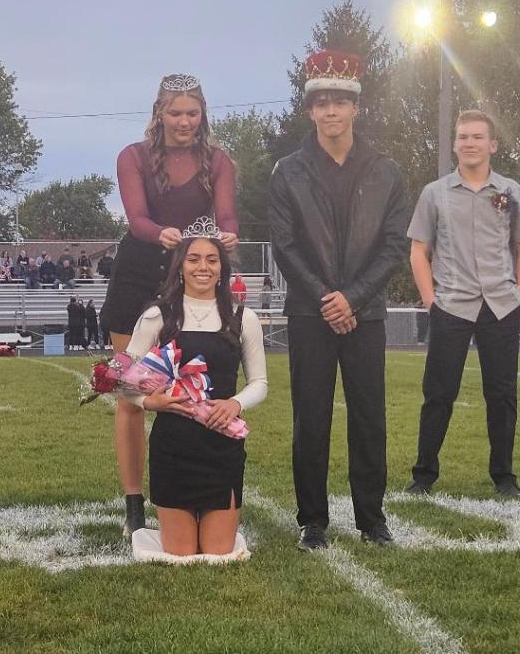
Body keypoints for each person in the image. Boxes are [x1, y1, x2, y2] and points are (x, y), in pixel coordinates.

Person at [269, 50, 410, 550]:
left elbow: (394, 245)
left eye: (340, 102)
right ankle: (313, 521)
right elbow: (285, 246)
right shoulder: (287, 171)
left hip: (365, 312)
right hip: (310, 313)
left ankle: (372, 518)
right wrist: (327, 298)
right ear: (309, 110)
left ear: (356, 107)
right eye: (321, 102)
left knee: (369, 414)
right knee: (311, 416)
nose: (330, 111)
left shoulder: (387, 170)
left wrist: (352, 298)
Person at [99, 73, 239, 538]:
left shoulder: (219, 161)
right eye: (175, 112)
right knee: (132, 395)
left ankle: (189, 491)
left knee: (191, 388)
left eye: (192, 113)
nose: (184, 121)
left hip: (189, 281)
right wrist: (159, 233)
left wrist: (228, 234)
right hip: (138, 278)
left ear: (203, 115)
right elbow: (137, 218)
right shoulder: (132, 156)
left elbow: (226, 216)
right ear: (158, 113)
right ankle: (134, 501)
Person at [407, 109, 520, 498]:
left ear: (492, 144)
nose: (469, 143)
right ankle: (424, 475)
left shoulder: (511, 190)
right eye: (463, 137)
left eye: (477, 137)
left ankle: (504, 477)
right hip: (451, 305)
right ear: (455, 144)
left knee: (501, 393)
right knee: (439, 393)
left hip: (500, 304)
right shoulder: (435, 193)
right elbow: (418, 250)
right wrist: (431, 300)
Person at [124, 236, 266, 555]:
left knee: (217, 554)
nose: (203, 267)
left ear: (222, 268)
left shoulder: (243, 317)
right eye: (194, 259)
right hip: (173, 448)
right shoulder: (156, 316)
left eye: (212, 260)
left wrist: (235, 403)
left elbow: (260, 382)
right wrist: (149, 402)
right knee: (182, 554)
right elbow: (123, 378)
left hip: (221, 447)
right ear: (180, 267)